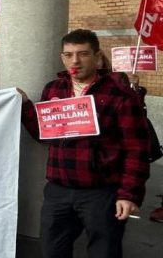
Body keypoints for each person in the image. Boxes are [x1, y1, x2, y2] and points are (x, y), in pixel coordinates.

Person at [19, 29, 150, 257]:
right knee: (52, 251)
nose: (75, 61)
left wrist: (128, 194)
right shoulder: (53, 90)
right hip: (58, 190)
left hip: (101, 193)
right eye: (68, 55)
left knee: (104, 252)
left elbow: (136, 150)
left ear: (97, 57)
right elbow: (43, 133)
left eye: (83, 54)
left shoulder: (120, 95)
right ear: (62, 57)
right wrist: (24, 107)